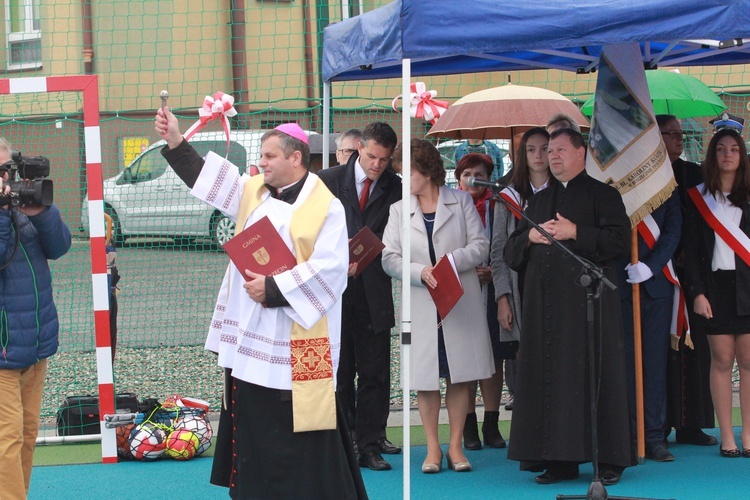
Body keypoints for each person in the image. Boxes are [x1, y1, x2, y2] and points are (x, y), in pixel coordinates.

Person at [154, 111, 367, 498]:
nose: (261, 163)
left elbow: (332, 270)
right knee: (254, 422)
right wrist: (174, 141)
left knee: (304, 428)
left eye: (269, 156)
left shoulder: (326, 207)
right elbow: (205, 180)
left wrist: (272, 288)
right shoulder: (253, 190)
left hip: (299, 336)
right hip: (251, 335)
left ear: (295, 158)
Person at [504, 128, 633, 485]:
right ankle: (559, 459)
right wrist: (528, 237)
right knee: (554, 382)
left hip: (589, 309)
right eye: (549, 151)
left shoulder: (603, 195)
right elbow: (510, 253)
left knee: (597, 378)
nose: (553, 156)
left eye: (560, 149)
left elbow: (618, 243)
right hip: (547, 312)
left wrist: (577, 232)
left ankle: (608, 459)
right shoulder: (539, 201)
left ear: (581, 153)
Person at [382, 139, 494, 474]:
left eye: (409, 172)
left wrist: (451, 262)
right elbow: (389, 257)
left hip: (459, 300)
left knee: (459, 374)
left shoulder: (460, 201)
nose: (405, 180)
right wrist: (420, 273)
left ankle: (456, 445)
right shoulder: (399, 209)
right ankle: (433, 447)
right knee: (426, 377)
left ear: (428, 169)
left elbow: (481, 246)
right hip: (420, 301)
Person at [317, 122, 402, 471]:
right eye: (371, 156)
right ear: (358, 149)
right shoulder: (325, 180)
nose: (377, 165)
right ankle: (343, 442)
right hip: (333, 293)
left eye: (384, 159)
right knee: (339, 371)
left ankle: (370, 444)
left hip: (375, 291)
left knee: (375, 373)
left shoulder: (396, 187)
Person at [0, 137, 71, 499]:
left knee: (27, 434)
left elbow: (59, 246)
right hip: (2, 352)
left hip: (34, 344)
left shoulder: (19, 206)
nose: (6, 179)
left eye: (7, 170)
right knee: (6, 439)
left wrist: (41, 212)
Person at [683, 128, 750, 458]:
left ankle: (748, 434)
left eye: (734, 149)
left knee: (749, 362)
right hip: (714, 288)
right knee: (722, 360)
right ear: (712, 156)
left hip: (748, 287)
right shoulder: (698, 199)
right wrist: (697, 292)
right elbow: (692, 252)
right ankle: (727, 436)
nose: (727, 154)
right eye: (721, 149)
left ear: (742, 155)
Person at [657, 114, 717, 447]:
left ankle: (692, 423)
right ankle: (660, 422)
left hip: (694, 274)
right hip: (658, 274)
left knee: (696, 348)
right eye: (672, 133)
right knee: (661, 349)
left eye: (681, 134)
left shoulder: (696, 175)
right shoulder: (646, 179)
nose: (680, 139)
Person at [616, 186, 681, 462]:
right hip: (619, 283)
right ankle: (629, 435)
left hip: (656, 285)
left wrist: (650, 266)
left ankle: (654, 436)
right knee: (625, 364)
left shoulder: (665, 184)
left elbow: (673, 231)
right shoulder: (611, 180)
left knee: (654, 364)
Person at [490, 127, 551, 415]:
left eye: (544, 148)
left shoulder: (563, 191)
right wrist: (502, 296)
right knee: (524, 355)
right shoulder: (508, 196)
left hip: (555, 285)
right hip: (520, 287)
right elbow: (498, 250)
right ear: (521, 155)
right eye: (531, 149)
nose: (538, 156)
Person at [454, 153, 507, 451]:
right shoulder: (450, 207)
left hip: (492, 291)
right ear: (458, 178)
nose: (473, 178)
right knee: (466, 357)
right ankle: (468, 426)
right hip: (462, 291)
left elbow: (504, 245)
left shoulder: (499, 206)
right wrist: (468, 270)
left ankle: (491, 422)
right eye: (467, 174)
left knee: (493, 358)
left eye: (480, 173)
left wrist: (493, 272)